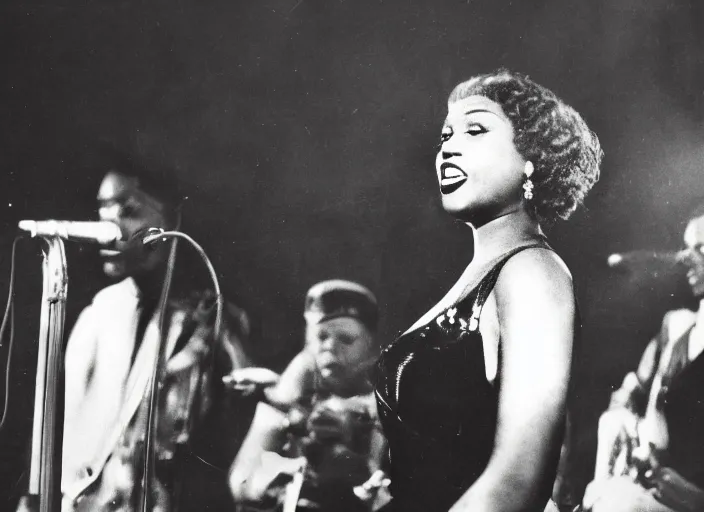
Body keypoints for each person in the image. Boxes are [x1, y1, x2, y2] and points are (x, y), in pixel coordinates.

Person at [375, 69, 602, 512]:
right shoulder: (481, 276)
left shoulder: (533, 271)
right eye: (445, 136)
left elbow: (519, 483)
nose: (448, 148)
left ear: (531, 159)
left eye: (475, 130)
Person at [17, 148, 254, 511]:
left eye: (129, 211)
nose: (111, 227)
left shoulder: (212, 319)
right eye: (103, 208)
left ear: (170, 220)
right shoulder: (97, 314)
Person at [228, 280, 389, 512]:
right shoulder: (285, 400)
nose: (330, 347)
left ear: (371, 345)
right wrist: (290, 469)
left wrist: (358, 452)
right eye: (322, 337)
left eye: (346, 339)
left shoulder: (386, 410)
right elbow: (240, 484)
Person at [582, 214, 704, 512]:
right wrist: (622, 412)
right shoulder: (677, 329)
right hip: (652, 484)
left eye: (701, 249)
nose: (685, 259)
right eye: (686, 248)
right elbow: (632, 388)